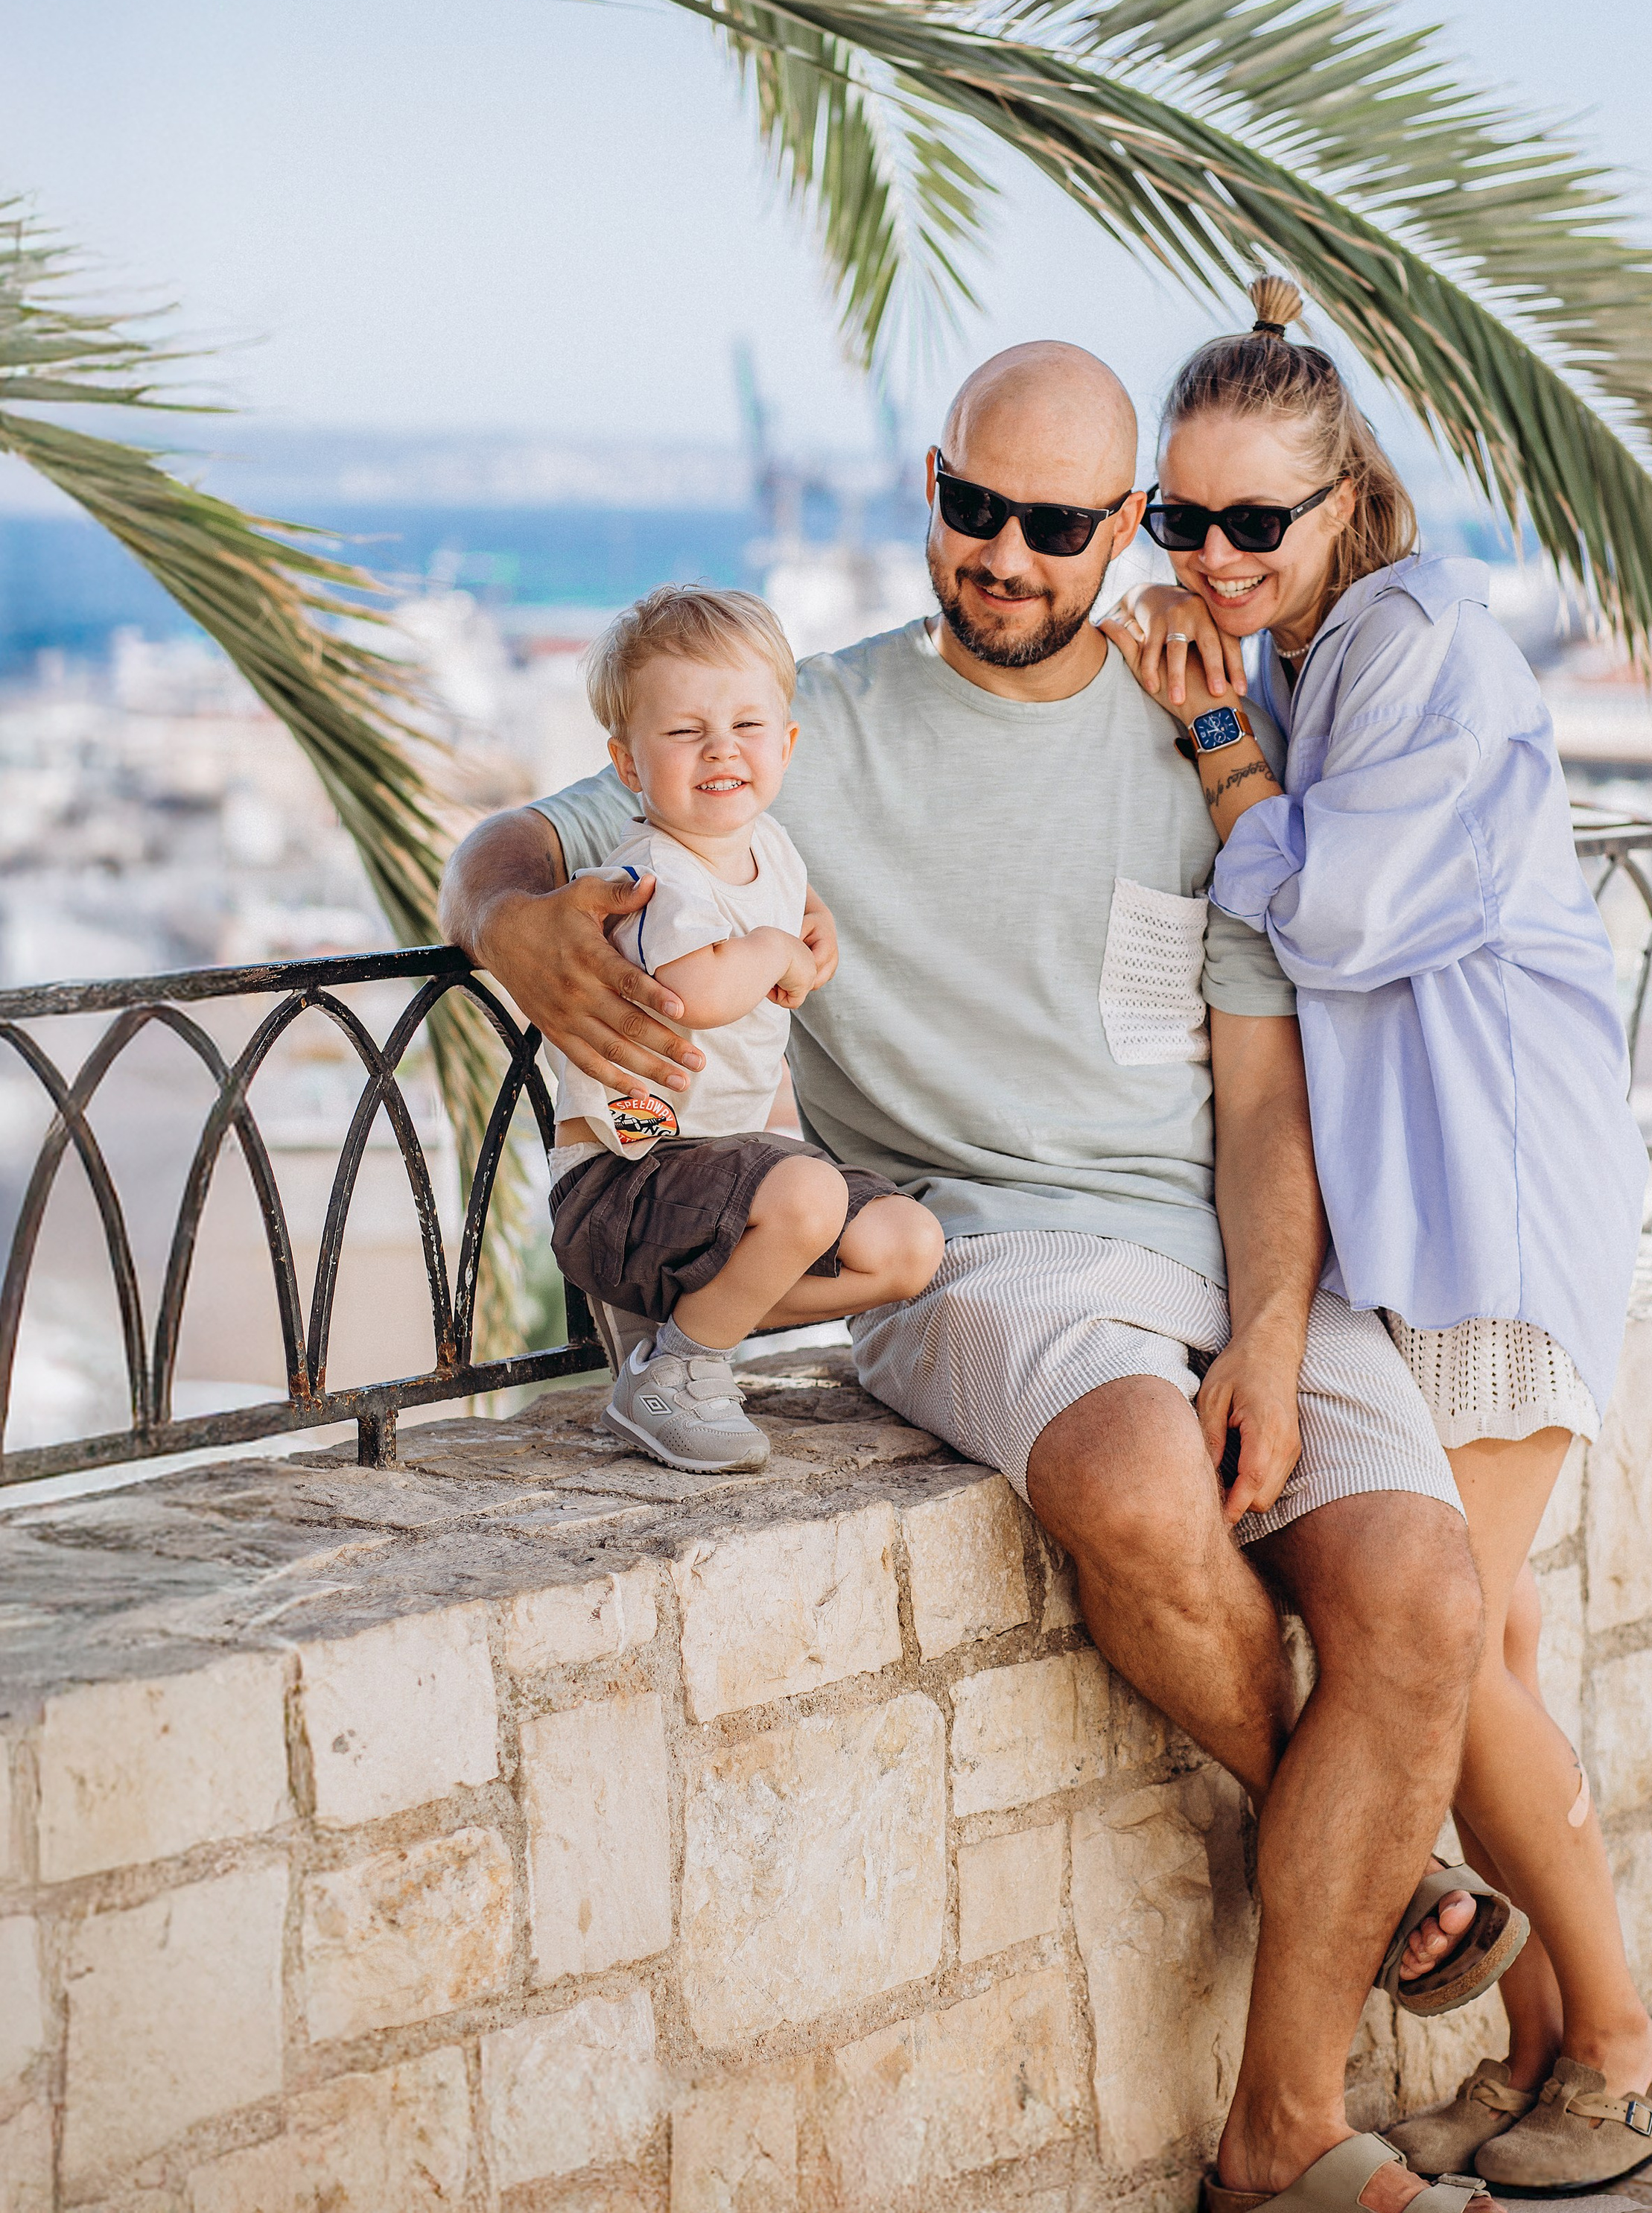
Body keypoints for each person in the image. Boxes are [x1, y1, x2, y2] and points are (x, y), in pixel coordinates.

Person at [442, 340, 1522, 2213]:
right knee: (1126, 1474)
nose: (1003, 554)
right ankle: (1343, 1859)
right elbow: (521, 837)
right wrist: (509, 923)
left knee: (1419, 1591)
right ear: (927, 486)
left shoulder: (1194, 742)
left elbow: (1260, 1101)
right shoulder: (803, 728)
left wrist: (1269, 1323)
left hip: (1207, 1244)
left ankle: (1277, 2131)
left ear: (1125, 530)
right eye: (971, 506)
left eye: (1053, 522)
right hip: (976, 1241)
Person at [1104, 278, 1652, 2200]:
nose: (1209, 555)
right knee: (1492, 1628)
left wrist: (1209, 743)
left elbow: (1334, 917)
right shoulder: (1311, 645)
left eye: (1251, 521)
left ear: (1347, 498)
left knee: (1464, 1658)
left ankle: (1611, 2047)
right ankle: (1535, 2056)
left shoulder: (1412, 639)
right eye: (1175, 519)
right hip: (1420, 1203)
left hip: (1479, 1201)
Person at [547, 583, 943, 1473]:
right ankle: (679, 1374)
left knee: (905, 1249)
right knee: (808, 1188)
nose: (721, 748)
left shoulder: (767, 843)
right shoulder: (655, 877)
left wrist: (810, 923)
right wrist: (772, 946)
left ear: (787, 744)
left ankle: (688, 1328)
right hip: (625, 1182)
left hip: (715, 1185)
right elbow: (697, 992)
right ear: (629, 763)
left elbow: (788, 897)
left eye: (748, 727)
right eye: (685, 732)